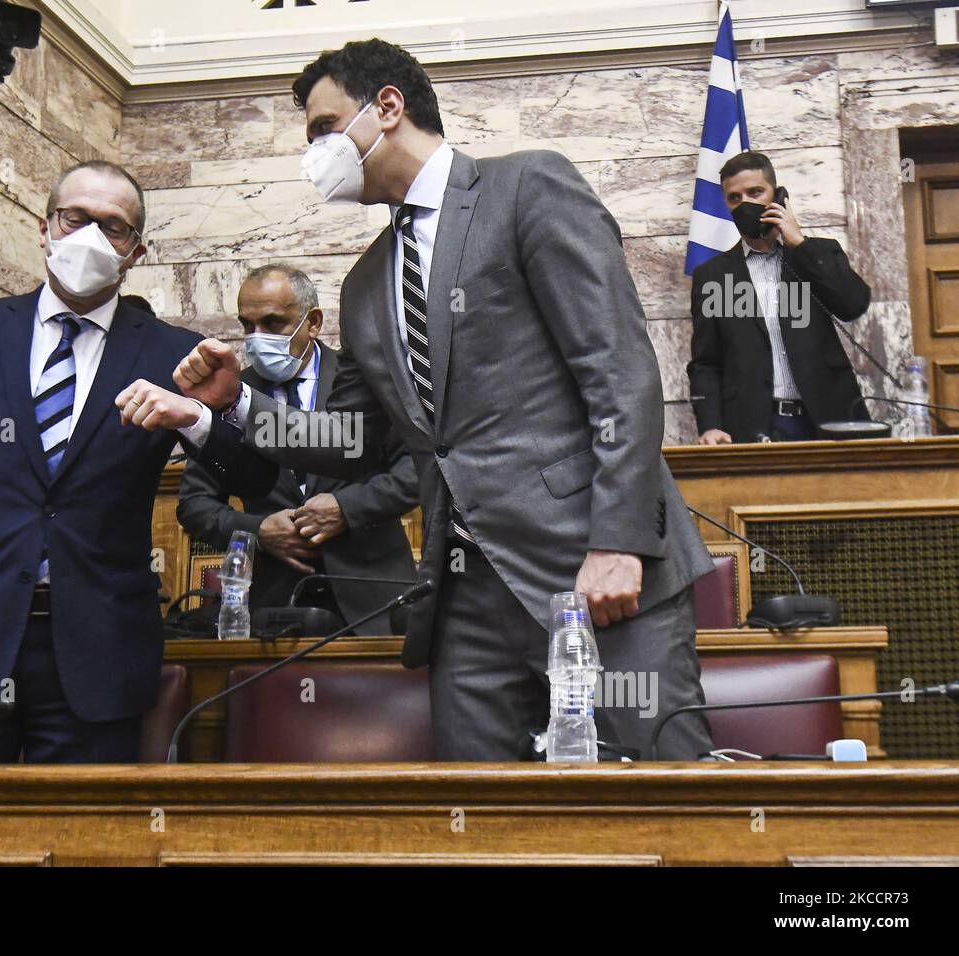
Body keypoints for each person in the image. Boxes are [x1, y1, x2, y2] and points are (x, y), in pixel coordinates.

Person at [120, 39, 717, 761]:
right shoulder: (366, 286)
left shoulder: (526, 187)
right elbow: (356, 442)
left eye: (323, 128)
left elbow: (618, 369)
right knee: (480, 820)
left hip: (590, 571)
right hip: (463, 600)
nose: (315, 153)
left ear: (388, 108)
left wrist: (618, 542)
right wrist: (225, 409)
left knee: (661, 792)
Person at [0, 160, 276, 763]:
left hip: (100, 647)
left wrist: (205, 415)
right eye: (73, 217)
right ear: (44, 227)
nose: (88, 236)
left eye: (112, 226)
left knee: (87, 844)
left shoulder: (173, 353)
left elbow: (257, 481)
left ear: (136, 251)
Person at [177, 264, 418, 632]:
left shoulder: (365, 379)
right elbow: (194, 506)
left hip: (375, 596)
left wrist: (346, 508)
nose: (256, 338)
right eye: (247, 326)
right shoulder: (228, 397)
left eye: (273, 324)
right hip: (275, 605)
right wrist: (260, 532)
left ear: (313, 322)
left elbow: (414, 470)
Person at [688, 150, 872, 444]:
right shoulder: (713, 276)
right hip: (754, 425)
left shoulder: (818, 253)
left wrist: (798, 243)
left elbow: (853, 304)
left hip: (827, 419)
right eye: (735, 198)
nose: (745, 203)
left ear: (778, 195)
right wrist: (710, 425)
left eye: (755, 192)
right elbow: (705, 362)